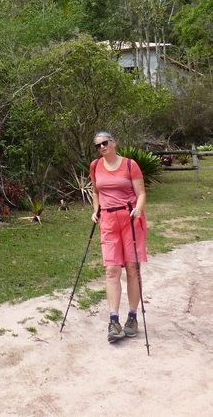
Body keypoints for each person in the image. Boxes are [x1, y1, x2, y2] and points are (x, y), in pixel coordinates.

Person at [89, 131, 147, 343]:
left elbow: (141, 193)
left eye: (105, 143)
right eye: (98, 145)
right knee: (112, 269)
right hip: (108, 221)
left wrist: (138, 210)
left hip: (131, 220)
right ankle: (114, 321)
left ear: (114, 143)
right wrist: (96, 210)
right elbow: (96, 192)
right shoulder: (95, 166)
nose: (102, 147)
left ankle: (132, 317)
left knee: (132, 268)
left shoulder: (130, 165)